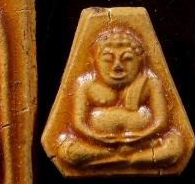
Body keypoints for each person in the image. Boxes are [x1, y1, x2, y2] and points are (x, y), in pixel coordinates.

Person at [58, 26, 182, 168]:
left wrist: (142, 136)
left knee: (175, 145)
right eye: (108, 59)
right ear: (94, 61)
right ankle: (128, 159)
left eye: (127, 59)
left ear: (140, 61)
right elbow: (78, 123)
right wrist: (97, 137)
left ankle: (116, 159)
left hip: (144, 144)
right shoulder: (86, 85)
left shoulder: (150, 82)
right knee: (67, 149)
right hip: (99, 145)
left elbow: (161, 122)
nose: (117, 66)